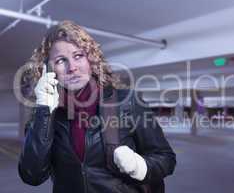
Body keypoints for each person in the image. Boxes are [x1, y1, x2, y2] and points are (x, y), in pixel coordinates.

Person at [18, 20, 176, 193]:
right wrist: (44, 112)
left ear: (91, 59)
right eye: (61, 60)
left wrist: (140, 167)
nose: (72, 67)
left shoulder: (127, 101)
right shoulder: (44, 115)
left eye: (78, 56)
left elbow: (166, 158)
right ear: (48, 69)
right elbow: (31, 176)